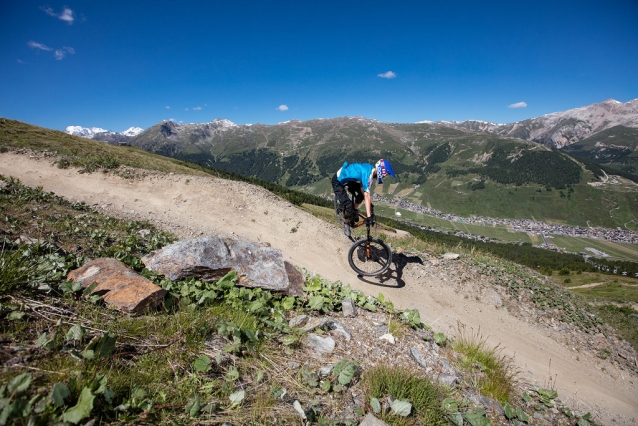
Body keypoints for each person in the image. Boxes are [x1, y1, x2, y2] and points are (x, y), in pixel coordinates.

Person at [332, 158, 396, 236]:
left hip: (350, 180)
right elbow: (367, 195)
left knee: (361, 196)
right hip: (338, 181)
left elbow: (363, 187)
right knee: (348, 206)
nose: (383, 177)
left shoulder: (370, 170)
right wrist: (369, 216)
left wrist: (370, 205)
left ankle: (353, 211)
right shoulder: (367, 174)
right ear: (380, 171)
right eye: (384, 175)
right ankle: (346, 223)